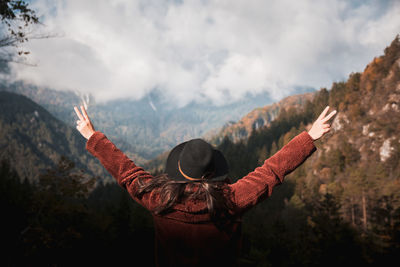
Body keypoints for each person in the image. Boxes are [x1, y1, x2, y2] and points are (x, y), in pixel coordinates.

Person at [74, 105, 336, 267]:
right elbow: (272, 171)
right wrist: (309, 137)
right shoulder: (232, 200)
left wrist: (93, 137)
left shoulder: (159, 199)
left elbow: (127, 172)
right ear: (214, 173)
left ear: (179, 170)